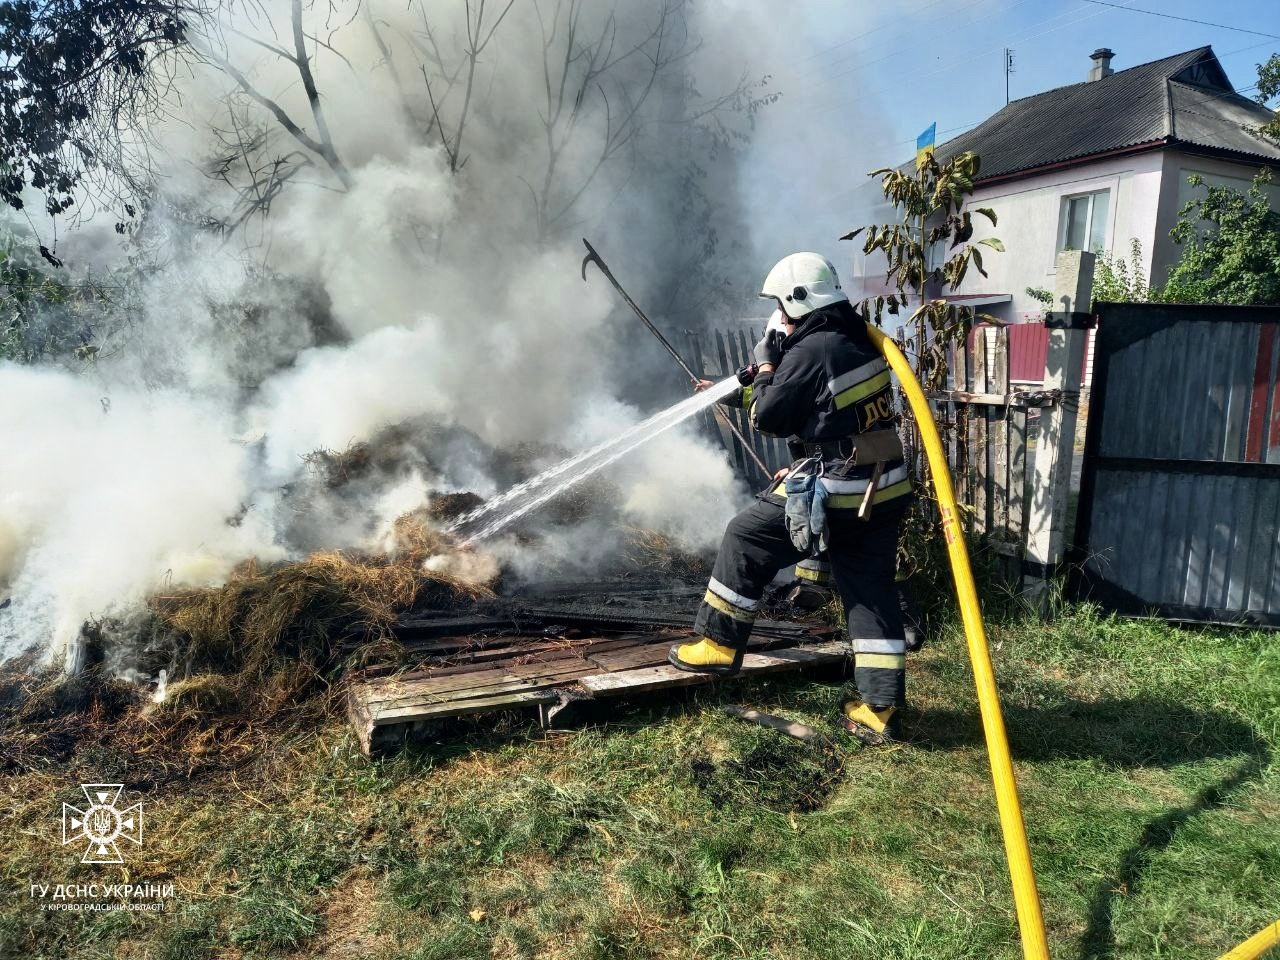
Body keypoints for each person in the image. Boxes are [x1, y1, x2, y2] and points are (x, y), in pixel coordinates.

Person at [669, 252, 912, 744]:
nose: (779, 316)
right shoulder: (853, 340)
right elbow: (811, 400)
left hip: (839, 486)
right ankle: (879, 708)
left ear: (801, 300)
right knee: (869, 591)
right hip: (883, 487)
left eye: (782, 305)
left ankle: (718, 643)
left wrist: (763, 365)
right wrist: (732, 389)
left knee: (746, 537)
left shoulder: (815, 348)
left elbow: (772, 415)